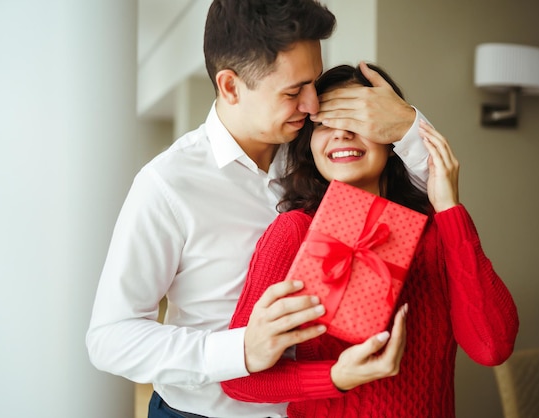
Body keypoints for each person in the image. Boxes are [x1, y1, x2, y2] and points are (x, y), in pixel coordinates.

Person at [86, 1, 433, 417]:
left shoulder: (319, 152)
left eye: (313, 83)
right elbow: (110, 338)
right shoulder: (167, 185)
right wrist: (239, 349)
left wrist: (407, 125)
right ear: (231, 86)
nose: (311, 104)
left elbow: (420, 199)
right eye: (292, 92)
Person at [221, 64, 520, 418]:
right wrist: (334, 377)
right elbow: (238, 380)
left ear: (392, 139)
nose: (341, 134)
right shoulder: (293, 232)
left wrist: (449, 209)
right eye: (324, 124)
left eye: (358, 121)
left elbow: (492, 347)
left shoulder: (436, 231)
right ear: (308, 146)